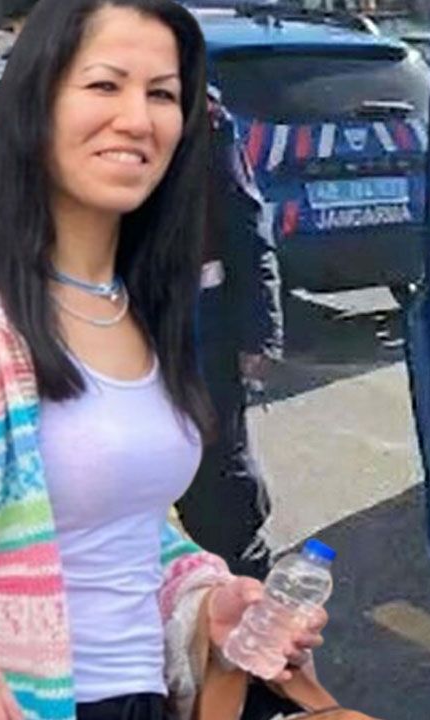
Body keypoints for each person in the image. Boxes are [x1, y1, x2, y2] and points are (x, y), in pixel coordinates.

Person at [0, 2, 327, 719]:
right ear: (35, 112)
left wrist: (204, 598)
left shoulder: (138, 317)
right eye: (104, 85)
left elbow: (119, 534)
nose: (137, 118)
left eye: (161, 93)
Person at [176, 86, 284, 580]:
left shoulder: (202, 118)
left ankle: (244, 595)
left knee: (219, 482)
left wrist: (259, 330)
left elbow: (245, 224)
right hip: (109, 323)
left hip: (197, 323)